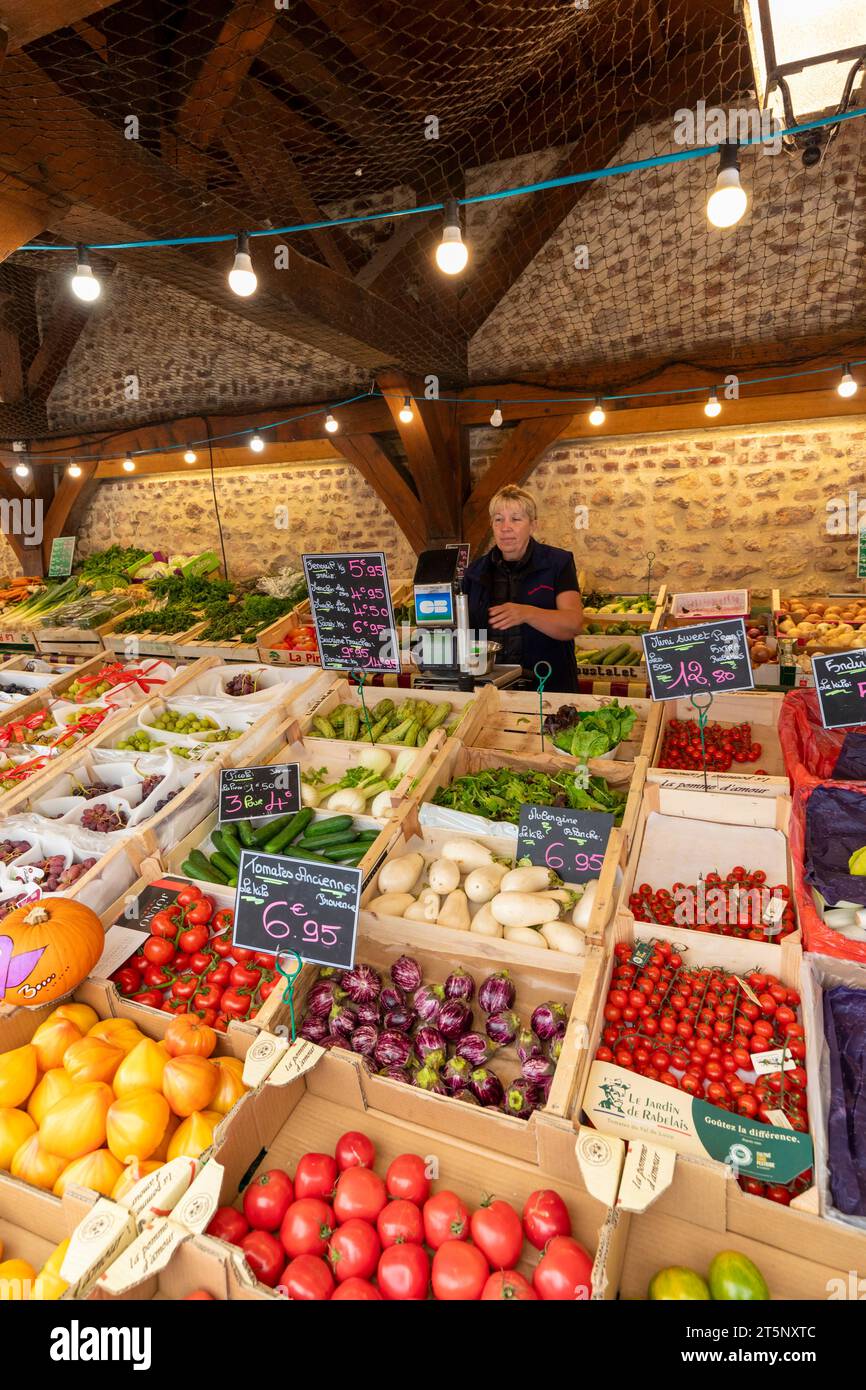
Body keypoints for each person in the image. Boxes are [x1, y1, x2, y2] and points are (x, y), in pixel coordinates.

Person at [461, 485, 583, 692]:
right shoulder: (474, 572)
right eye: (498, 519)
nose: (505, 527)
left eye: (516, 519)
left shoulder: (558, 563)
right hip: (490, 690)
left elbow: (573, 624)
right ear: (492, 525)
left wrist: (526, 613)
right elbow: (463, 632)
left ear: (533, 525)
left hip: (548, 686)